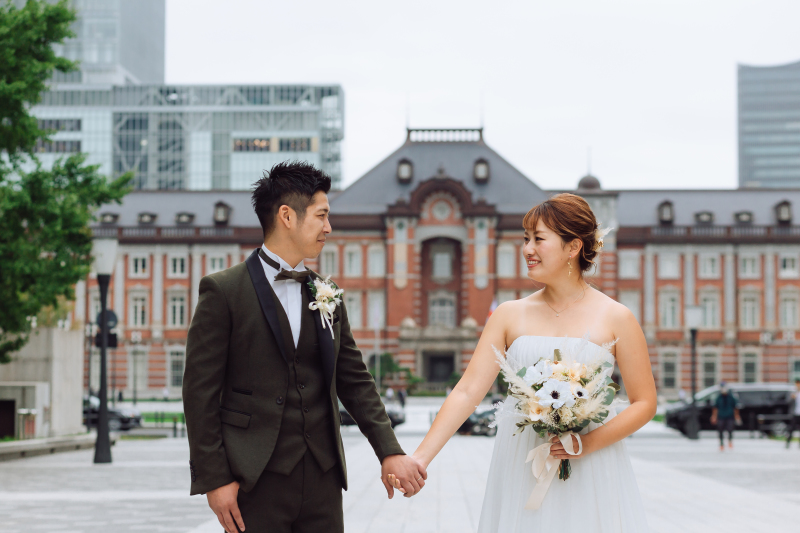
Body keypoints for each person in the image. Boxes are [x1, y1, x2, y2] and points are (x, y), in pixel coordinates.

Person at [182, 162, 426, 533]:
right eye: (321, 216)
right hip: (255, 479)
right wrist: (214, 479)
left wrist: (389, 450)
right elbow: (199, 394)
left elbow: (355, 380)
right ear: (287, 217)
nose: (329, 228)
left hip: (323, 479)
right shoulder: (223, 292)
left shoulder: (327, 293)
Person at [390, 193, 655, 532]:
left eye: (538, 239)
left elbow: (645, 403)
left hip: (593, 464)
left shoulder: (617, 317)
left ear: (573, 247)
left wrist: (584, 444)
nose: (527, 249)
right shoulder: (508, 315)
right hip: (521, 463)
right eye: (525, 239)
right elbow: (468, 391)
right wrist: (420, 458)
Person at [710, 381, 741, 451]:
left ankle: (730, 441)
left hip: (730, 416)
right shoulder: (718, 397)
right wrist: (714, 417)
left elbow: (735, 407)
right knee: (720, 430)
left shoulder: (731, 397)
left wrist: (737, 416)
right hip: (721, 416)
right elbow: (715, 408)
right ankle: (721, 444)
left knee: (730, 429)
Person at [786, 378, 800, 449]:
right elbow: (787, 402)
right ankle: (788, 443)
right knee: (791, 429)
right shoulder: (793, 393)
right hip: (795, 414)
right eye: (797, 384)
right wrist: (792, 397)